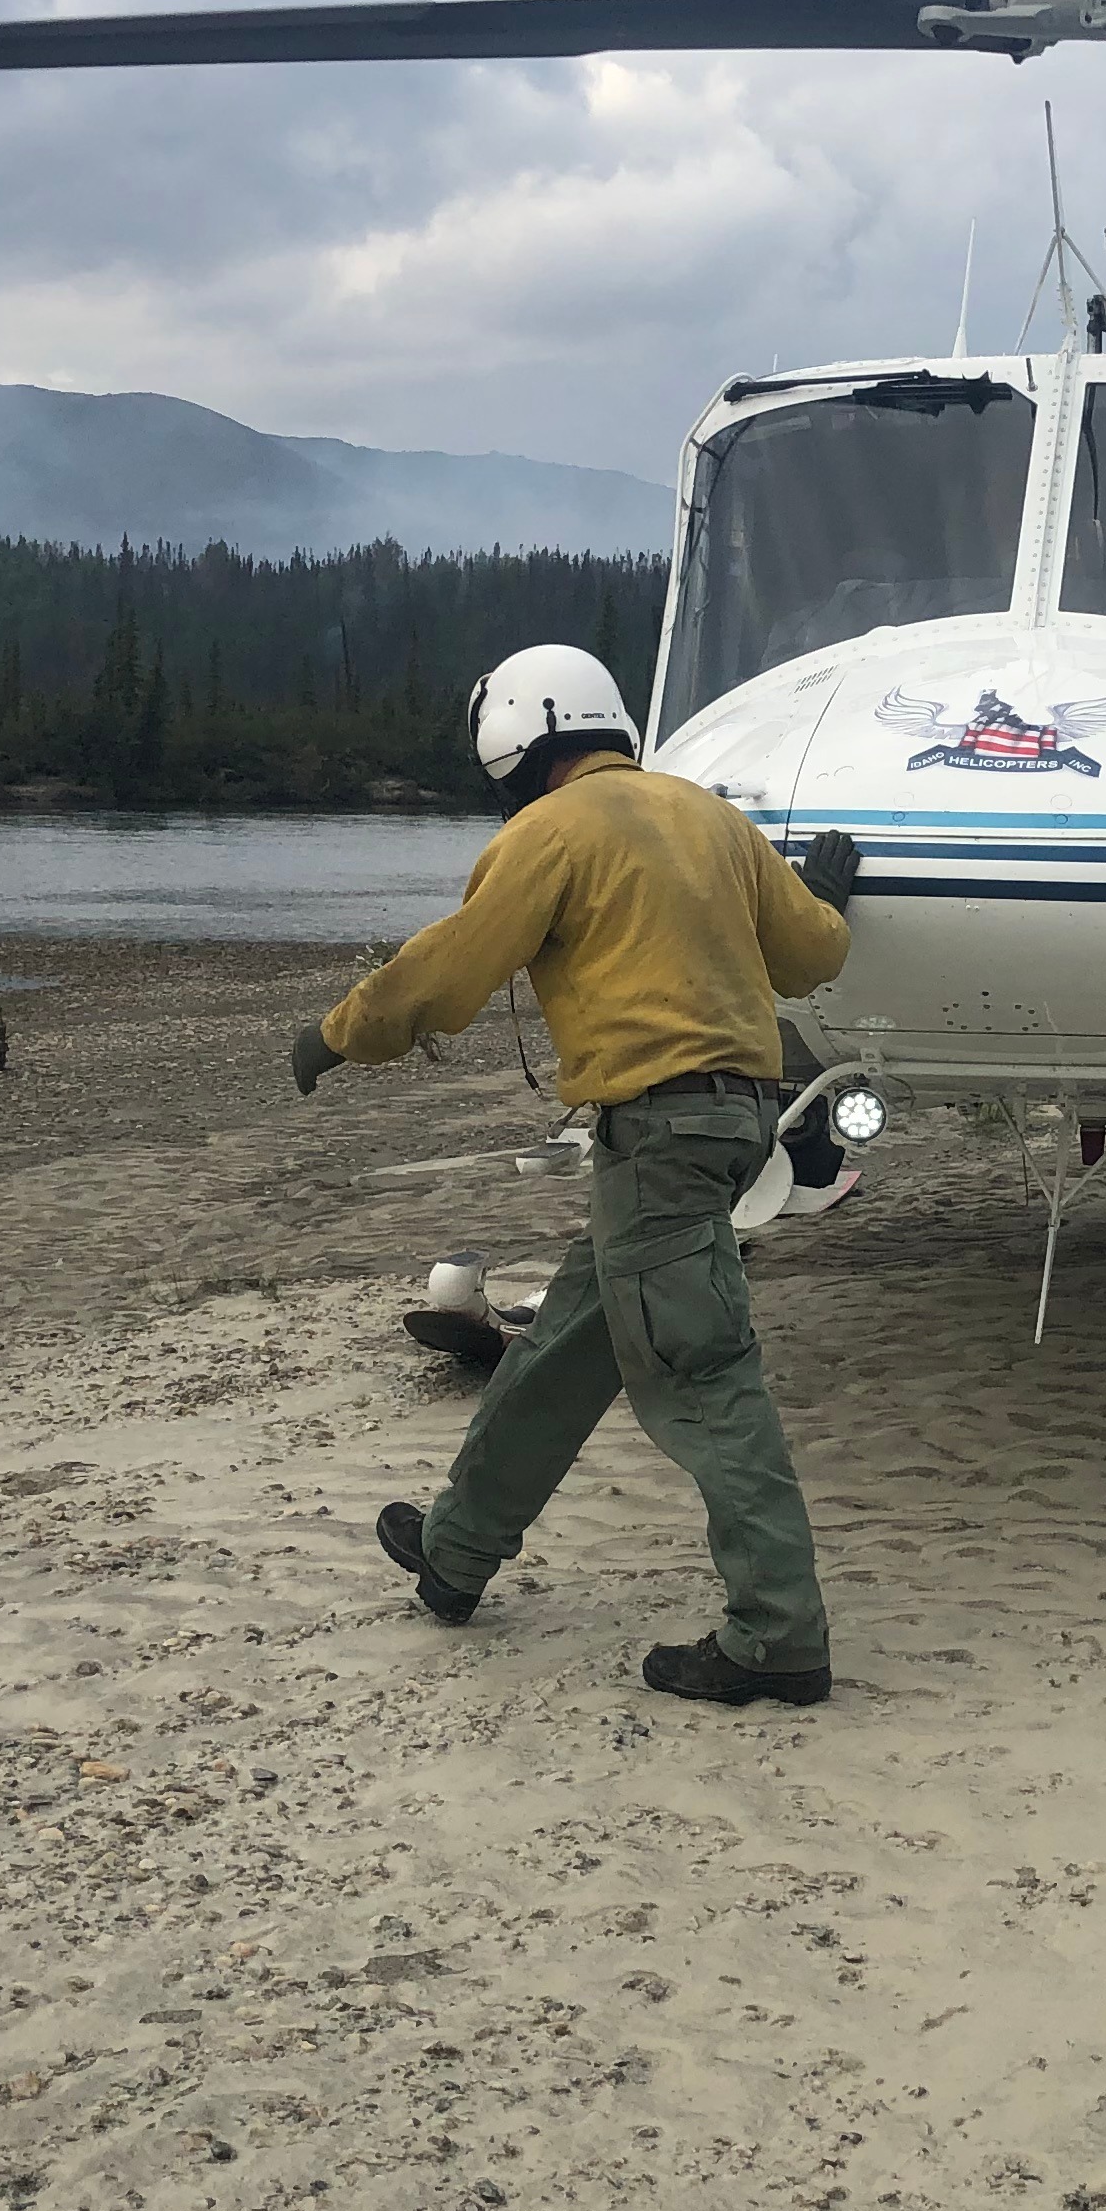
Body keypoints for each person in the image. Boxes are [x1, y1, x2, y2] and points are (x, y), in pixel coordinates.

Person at [290, 641, 862, 1708]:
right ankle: (456, 1554)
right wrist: (825, 896)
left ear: (514, 745)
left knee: (705, 1378)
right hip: (738, 1125)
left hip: (660, 1137)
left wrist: (334, 1036)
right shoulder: (708, 817)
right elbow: (810, 957)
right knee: (563, 1352)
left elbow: (445, 974)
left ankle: (779, 1634)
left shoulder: (548, 834)